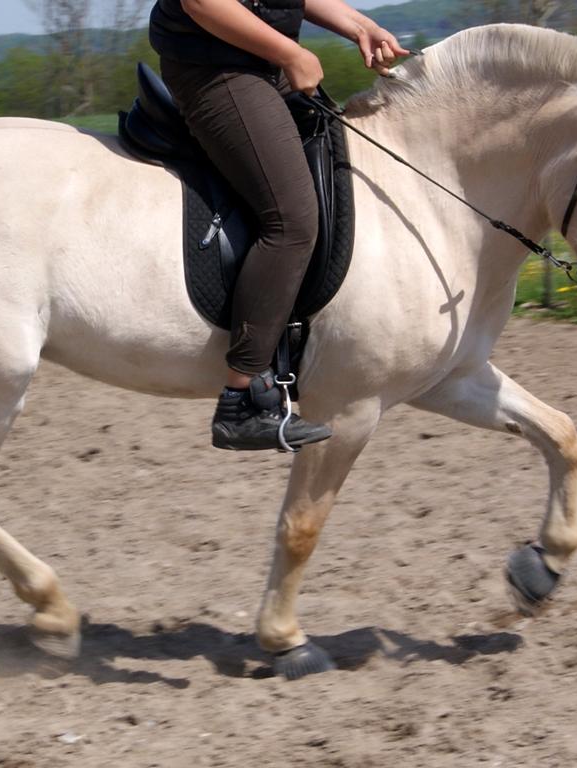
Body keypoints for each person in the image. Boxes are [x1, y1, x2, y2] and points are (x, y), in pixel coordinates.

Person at [149, 0, 407, 451]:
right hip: (216, 68)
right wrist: (290, 53)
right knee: (291, 219)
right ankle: (242, 397)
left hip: (261, 62)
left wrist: (360, 25)